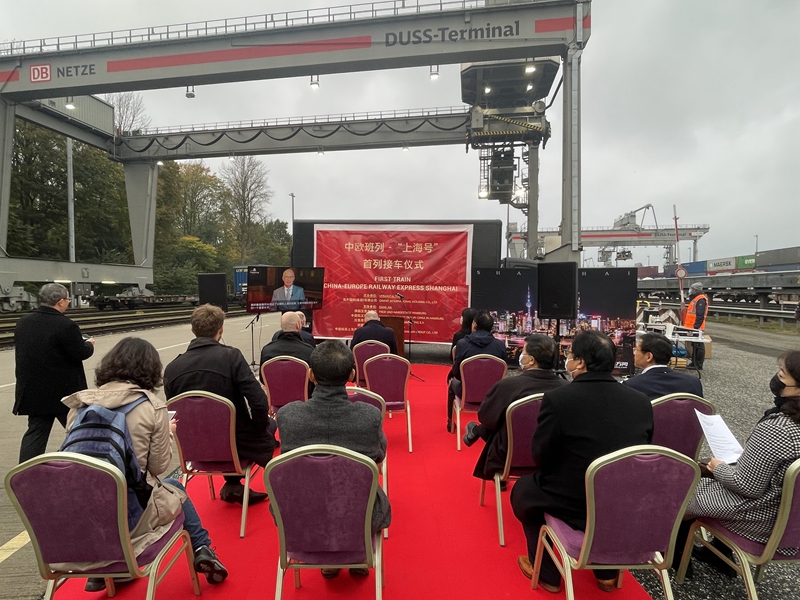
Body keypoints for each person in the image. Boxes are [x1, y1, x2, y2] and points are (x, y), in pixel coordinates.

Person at [62, 337, 228, 591]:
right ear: (150, 370)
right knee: (175, 487)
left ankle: (103, 572)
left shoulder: (80, 404)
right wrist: (168, 432)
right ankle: (202, 547)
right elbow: (158, 467)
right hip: (128, 514)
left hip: (79, 517)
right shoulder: (151, 406)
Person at [510, 330, 653, 593]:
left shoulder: (559, 399)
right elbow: (641, 454)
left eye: (571, 356)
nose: (569, 360)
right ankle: (607, 574)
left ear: (582, 363)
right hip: (622, 501)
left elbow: (541, 455)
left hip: (572, 499)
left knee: (523, 492)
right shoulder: (641, 402)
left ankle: (547, 572)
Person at [675, 350, 800, 577]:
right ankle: (716, 554)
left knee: (684, 489)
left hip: (761, 522)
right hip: (792, 526)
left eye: (782, 375)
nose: (776, 378)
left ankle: (673, 558)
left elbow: (747, 486)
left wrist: (717, 467)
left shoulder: (779, 428)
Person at [277, 340, 391, 579]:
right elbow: (379, 457)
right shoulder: (368, 416)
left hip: (300, 514)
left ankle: (327, 560)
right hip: (360, 512)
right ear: (351, 374)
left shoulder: (288, 416)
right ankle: (357, 555)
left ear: (311, 375)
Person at [164, 304, 276, 504]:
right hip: (235, 444)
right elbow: (259, 402)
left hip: (195, 448)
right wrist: (258, 428)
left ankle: (233, 486)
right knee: (270, 425)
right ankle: (241, 485)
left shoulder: (172, 368)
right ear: (221, 329)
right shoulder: (231, 357)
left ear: (193, 330)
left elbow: (174, 413)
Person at [463, 335, 567, 483]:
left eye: (523, 352)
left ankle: (477, 432)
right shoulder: (567, 389)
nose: (520, 356)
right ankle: (477, 431)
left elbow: (486, 418)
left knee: (500, 420)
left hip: (509, 455)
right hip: (554, 458)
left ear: (531, 360)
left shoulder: (507, 386)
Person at [14, 283, 95, 463]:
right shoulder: (66, 325)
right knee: (79, 430)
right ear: (60, 302)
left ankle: (26, 471)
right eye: (67, 299)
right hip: (64, 392)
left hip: (33, 389)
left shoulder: (23, 322)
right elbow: (79, 353)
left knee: (36, 432)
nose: (67, 302)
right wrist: (89, 344)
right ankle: (85, 464)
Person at [446, 311, 506, 433]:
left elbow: (457, 373)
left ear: (474, 325)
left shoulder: (462, 344)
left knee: (452, 384)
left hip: (467, 393)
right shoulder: (500, 346)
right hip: (492, 394)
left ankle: (450, 422)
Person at [623, 332, 703, 399]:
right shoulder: (693, 382)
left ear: (648, 357)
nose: (634, 353)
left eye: (636, 349)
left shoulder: (631, 386)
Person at [260, 311, 315, 396]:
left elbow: (263, 379)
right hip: (302, 402)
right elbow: (313, 379)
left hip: (276, 401)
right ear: (298, 325)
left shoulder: (267, 350)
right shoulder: (308, 351)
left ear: (281, 326)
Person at [682, 281, 708, 370]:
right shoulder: (697, 298)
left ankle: (698, 364)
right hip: (693, 327)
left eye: (691, 289)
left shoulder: (700, 299)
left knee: (698, 346)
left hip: (696, 327)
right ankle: (694, 362)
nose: (690, 291)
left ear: (695, 290)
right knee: (695, 345)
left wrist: (695, 327)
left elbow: (699, 315)